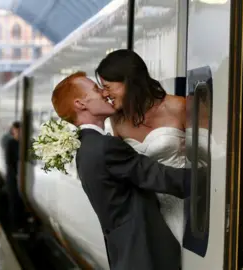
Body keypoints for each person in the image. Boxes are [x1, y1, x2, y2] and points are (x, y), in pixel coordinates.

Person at [51, 71, 196, 270]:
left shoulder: (85, 147)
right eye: (96, 89)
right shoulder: (105, 147)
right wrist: (217, 179)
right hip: (144, 257)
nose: (104, 93)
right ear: (80, 104)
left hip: (127, 256)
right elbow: (160, 177)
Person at [96, 49, 187, 246]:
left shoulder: (179, 107)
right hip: (144, 214)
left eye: (107, 86)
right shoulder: (117, 119)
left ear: (128, 81)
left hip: (183, 205)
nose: (105, 94)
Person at [5, 121, 26, 233]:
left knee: (19, 203)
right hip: (12, 178)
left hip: (20, 177)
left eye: (19, 130)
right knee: (13, 202)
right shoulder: (11, 143)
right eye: (16, 130)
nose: (18, 132)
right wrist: (16, 175)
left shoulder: (23, 144)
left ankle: (20, 225)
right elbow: (9, 162)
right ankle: (14, 227)